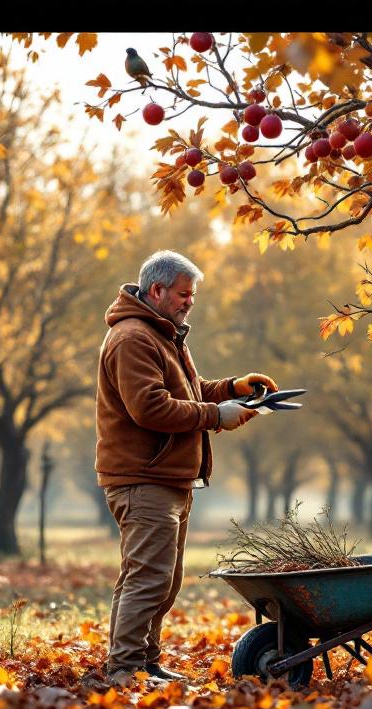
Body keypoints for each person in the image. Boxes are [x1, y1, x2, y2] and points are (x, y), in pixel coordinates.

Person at [95, 250, 277, 686]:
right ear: (156, 290)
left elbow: (189, 392)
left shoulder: (163, 335)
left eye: (191, 295)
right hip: (143, 479)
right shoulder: (133, 338)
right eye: (183, 294)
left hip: (169, 478)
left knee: (162, 579)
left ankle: (144, 661)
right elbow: (150, 408)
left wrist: (233, 389)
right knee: (148, 577)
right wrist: (216, 415)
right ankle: (125, 669)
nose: (188, 302)